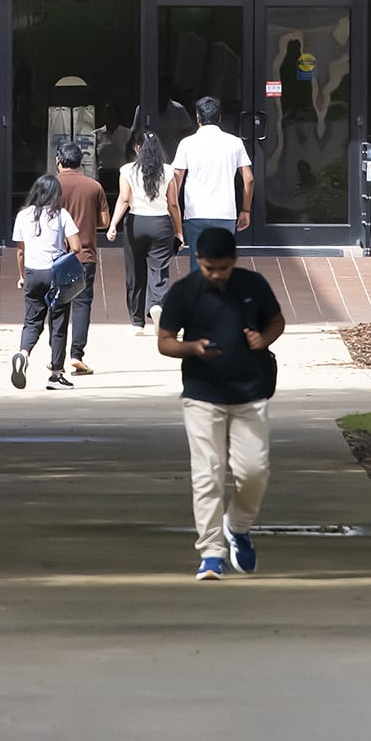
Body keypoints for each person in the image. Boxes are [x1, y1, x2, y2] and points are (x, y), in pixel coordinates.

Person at [156, 227, 285, 581]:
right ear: (197, 261)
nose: (216, 275)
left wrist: (264, 339)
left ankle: (238, 526)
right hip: (202, 394)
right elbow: (165, 342)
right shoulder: (184, 292)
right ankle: (211, 552)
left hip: (250, 393)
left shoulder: (253, 285)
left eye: (223, 268)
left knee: (254, 471)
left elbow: (276, 321)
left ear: (234, 261)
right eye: (210, 268)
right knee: (207, 475)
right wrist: (192, 348)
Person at [10, 174, 82, 392]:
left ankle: (23, 354)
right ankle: (56, 375)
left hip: (33, 273)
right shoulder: (61, 215)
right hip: (55, 274)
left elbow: (20, 251)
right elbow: (77, 246)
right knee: (58, 324)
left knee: (32, 321)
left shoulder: (23, 215)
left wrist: (22, 276)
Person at [107, 129, 177, 334]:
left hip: (136, 223)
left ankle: (137, 321)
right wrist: (179, 231)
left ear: (137, 148)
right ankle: (156, 304)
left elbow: (124, 199)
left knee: (135, 271)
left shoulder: (127, 170)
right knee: (159, 269)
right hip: (161, 224)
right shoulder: (168, 171)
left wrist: (113, 225)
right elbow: (173, 204)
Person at [168, 96, 253, 260]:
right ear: (219, 117)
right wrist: (246, 210)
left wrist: (173, 211)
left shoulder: (187, 143)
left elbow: (175, 179)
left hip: (195, 212)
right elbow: (248, 178)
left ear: (197, 117)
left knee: (198, 264)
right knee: (222, 264)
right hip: (225, 213)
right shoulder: (234, 143)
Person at [53, 141, 109, 375]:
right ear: (81, 162)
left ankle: (56, 359)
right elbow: (104, 222)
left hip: (55, 256)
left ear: (59, 161)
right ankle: (77, 354)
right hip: (85, 254)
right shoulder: (94, 186)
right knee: (82, 303)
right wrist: (85, 223)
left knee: (57, 306)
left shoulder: (51, 186)